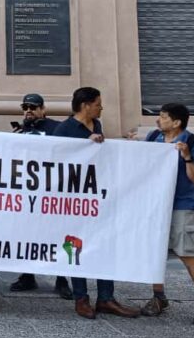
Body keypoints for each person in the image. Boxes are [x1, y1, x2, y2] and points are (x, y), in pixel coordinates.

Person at [53, 88, 140, 320]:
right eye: (98, 104)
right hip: (74, 200)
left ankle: (106, 298)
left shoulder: (97, 125)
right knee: (77, 249)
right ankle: (81, 298)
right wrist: (84, 143)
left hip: (97, 197)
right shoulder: (64, 129)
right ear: (85, 105)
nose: (101, 107)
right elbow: (57, 161)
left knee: (104, 245)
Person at [140, 103, 194, 326]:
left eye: (163, 117)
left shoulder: (192, 143)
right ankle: (158, 297)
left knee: (186, 253)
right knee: (155, 253)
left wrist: (186, 156)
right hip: (157, 205)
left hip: (182, 205)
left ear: (176, 122)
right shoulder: (153, 137)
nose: (158, 121)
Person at [8, 94, 72, 299]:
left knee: (56, 234)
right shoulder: (19, 130)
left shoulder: (57, 127)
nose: (28, 110)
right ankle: (27, 275)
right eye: (25, 107)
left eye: (33, 107)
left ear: (43, 109)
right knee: (28, 235)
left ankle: (62, 279)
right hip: (27, 192)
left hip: (51, 191)